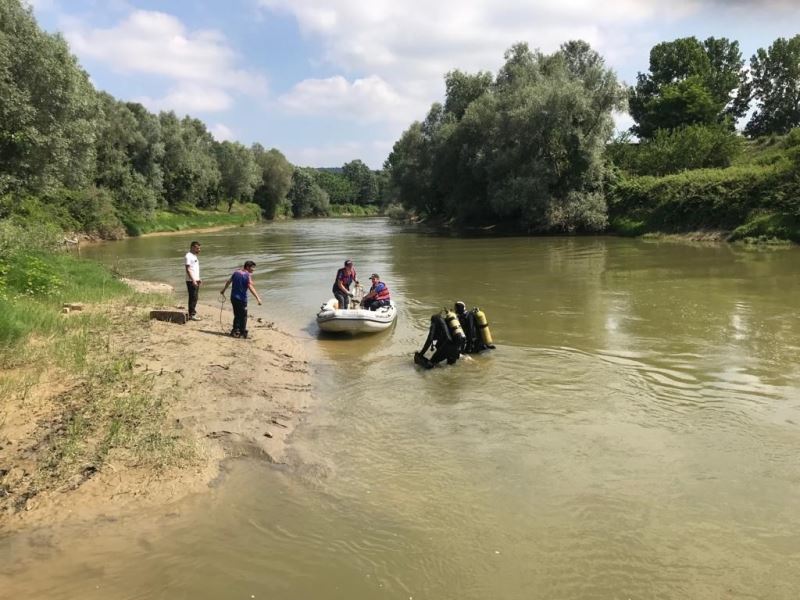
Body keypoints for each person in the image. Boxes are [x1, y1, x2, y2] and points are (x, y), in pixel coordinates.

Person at [219, 260, 262, 339]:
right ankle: (242, 332)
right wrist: (258, 298)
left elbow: (229, 281)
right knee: (243, 316)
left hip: (233, 298)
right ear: (248, 267)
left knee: (237, 314)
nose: (253, 270)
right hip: (242, 299)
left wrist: (223, 290)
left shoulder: (236, 272)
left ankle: (235, 331)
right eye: (252, 268)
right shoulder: (247, 275)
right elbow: (250, 287)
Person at [184, 241, 201, 321]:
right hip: (191, 281)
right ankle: (192, 314)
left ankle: (192, 313)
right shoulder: (188, 256)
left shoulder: (194, 256)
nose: (199, 249)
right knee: (193, 297)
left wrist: (198, 278)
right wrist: (193, 280)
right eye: (197, 248)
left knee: (195, 297)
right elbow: (187, 269)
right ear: (193, 247)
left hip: (195, 280)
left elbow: (194, 269)